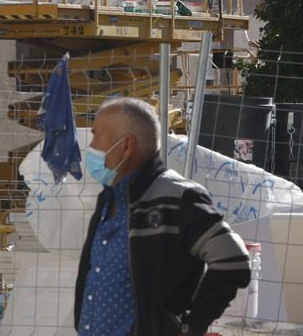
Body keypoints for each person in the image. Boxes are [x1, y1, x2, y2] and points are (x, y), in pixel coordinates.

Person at [75, 98, 251, 335]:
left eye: (97, 137)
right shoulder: (109, 199)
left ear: (126, 146)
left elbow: (232, 261)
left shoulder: (178, 197)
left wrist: (190, 328)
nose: (92, 147)